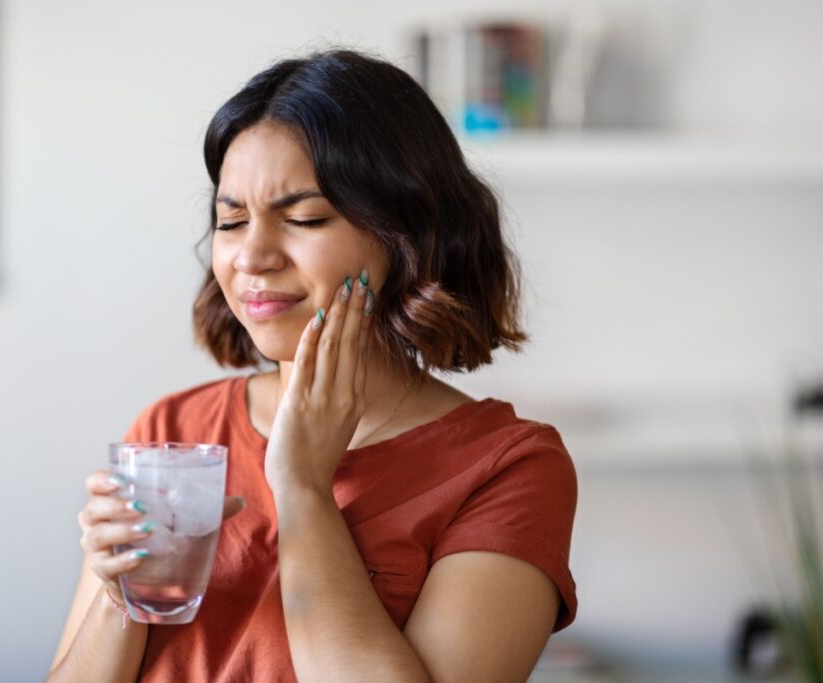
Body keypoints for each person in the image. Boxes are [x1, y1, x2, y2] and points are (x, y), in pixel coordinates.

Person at [47, 47, 578, 683]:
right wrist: (121, 597)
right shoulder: (171, 430)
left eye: (304, 218)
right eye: (231, 221)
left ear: (407, 235)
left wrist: (301, 485)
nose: (252, 256)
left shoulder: (509, 468)